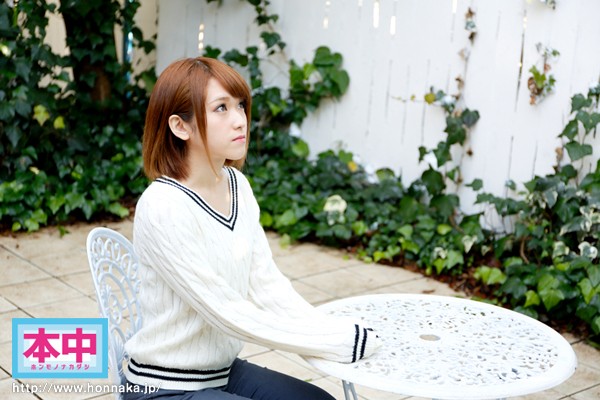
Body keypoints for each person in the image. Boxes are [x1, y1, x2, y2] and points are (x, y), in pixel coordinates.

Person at [123, 57, 381, 400]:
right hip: (163, 387)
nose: (240, 119)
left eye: (240, 105)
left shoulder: (237, 186)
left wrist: (333, 333)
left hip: (221, 371)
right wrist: (329, 342)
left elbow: (266, 285)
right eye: (221, 108)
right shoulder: (162, 206)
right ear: (180, 126)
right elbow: (226, 310)